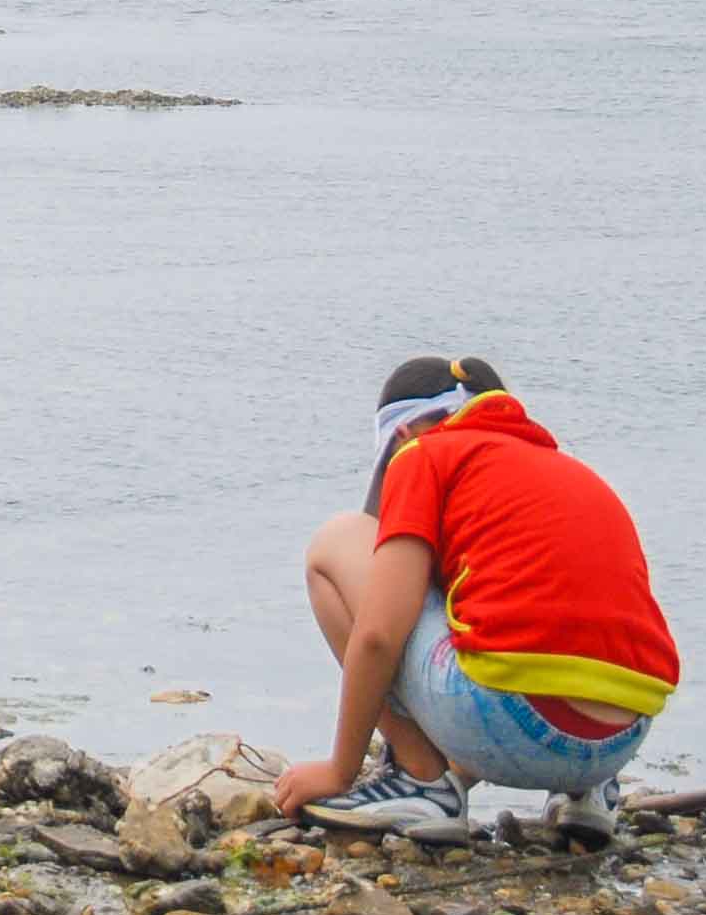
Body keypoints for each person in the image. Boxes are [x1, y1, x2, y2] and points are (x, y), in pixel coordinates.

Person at [272, 353, 678, 846]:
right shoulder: (563, 469)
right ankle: (587, 795)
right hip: (621, 740)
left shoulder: (422, 455)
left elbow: (378, 635)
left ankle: (419, 781)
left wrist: (340, 769)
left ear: (401, 437)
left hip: (514, 724)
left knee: (336, 541)